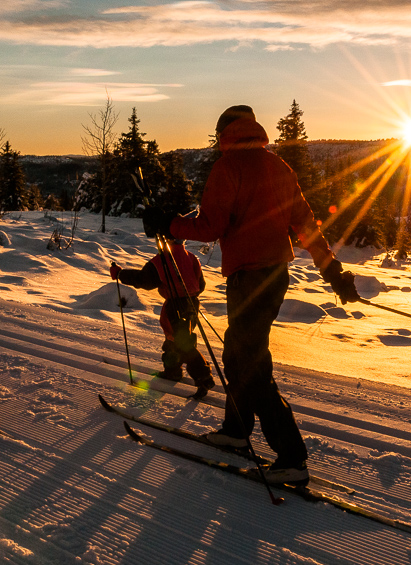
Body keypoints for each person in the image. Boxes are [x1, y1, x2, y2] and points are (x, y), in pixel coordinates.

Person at [142, 105, 359, 486]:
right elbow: (306, 224)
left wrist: (168, 222)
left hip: (248, 279)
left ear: (225, 132)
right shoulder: (278, 166)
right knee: (238, 354)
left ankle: (292, 457)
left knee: (252, 365)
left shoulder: (228, 168)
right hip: (275, 276)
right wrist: (332, 271)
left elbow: (210, 227)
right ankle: (236, 431)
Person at [110, 240, 215, 399]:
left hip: (175, 305)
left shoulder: (161, 260)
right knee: (176, 339)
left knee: (182, 343)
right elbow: (201, 285)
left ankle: (204, 378)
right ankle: (173, 371)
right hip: (192, 304)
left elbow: (143, 280)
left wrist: (120, 274)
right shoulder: (191, 257)